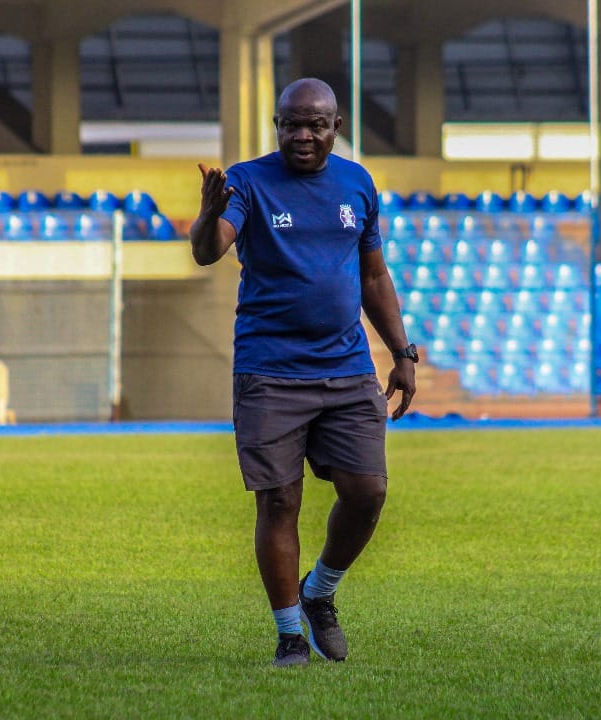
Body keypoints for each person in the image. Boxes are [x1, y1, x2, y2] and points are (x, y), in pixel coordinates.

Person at [189, 77, 417, 668]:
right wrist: (207, 217)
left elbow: (373, 276)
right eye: (291, 124)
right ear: (277, 124)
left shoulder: (357, 183)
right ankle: (290, 635)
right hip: (270, 370)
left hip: (346, 368)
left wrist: (402, 352)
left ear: (336, 126)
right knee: (279, 503)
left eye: (315, 124)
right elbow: (210, 249)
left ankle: (320, 593)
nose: (303, 135)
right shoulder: (247, 180)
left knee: (367, 492)